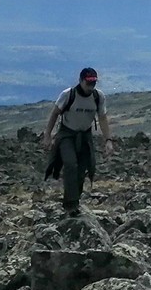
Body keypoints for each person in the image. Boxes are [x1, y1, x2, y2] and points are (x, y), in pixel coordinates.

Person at [42, 67, 113, 213]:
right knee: (70, 164)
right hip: (67, 134)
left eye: (93, 83)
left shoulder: (98, 97)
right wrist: (48, 135)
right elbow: (55, 113)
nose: (91, 86)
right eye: (88, 83)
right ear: (81, 81)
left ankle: (75, 200)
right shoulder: (68, 95)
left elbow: (103, 118)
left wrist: (108, 140)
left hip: (85, 136)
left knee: (82, 170)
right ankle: (70, 204)